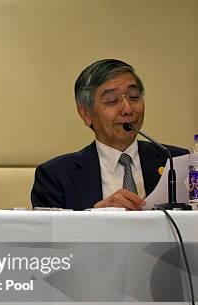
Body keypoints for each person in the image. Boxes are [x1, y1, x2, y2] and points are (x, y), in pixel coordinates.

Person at [31, 59, 187, 211]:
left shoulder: (175, 161)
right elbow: (50, 234)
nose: (127, 109)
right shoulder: (55, 176)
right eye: (112, 101)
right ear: (86, 114)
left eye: (134, 97)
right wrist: (98, 216)